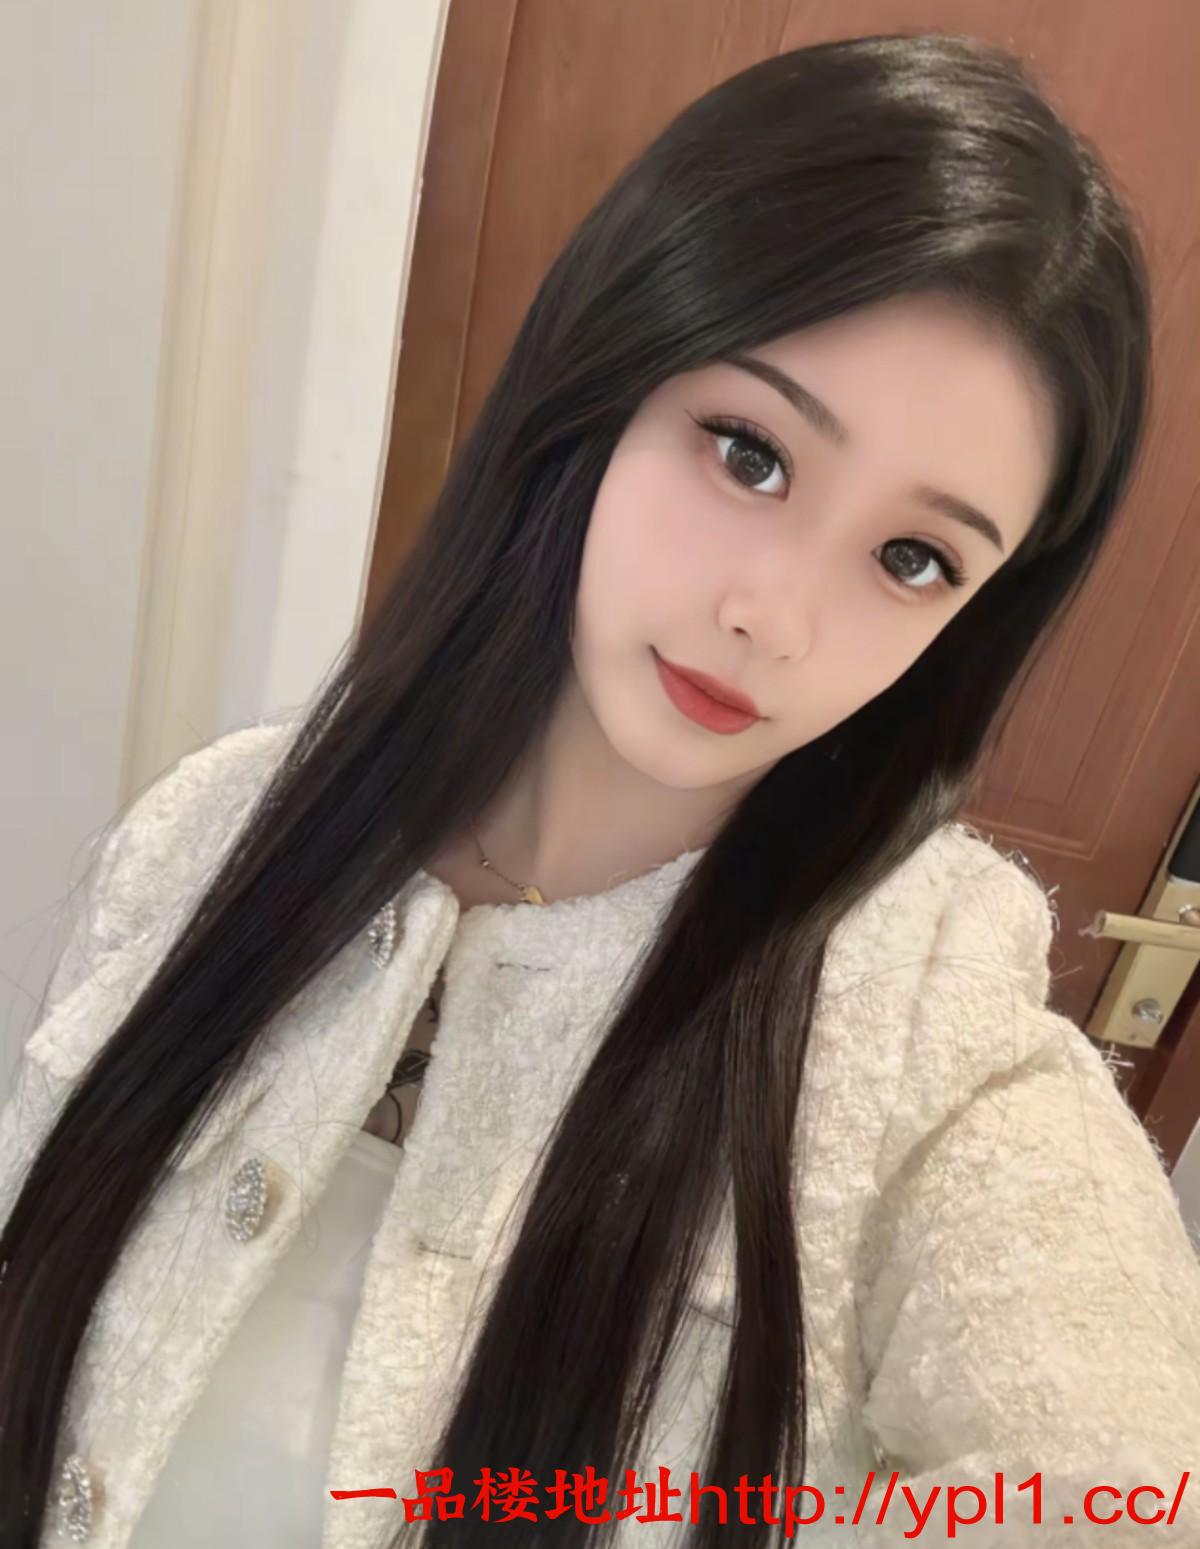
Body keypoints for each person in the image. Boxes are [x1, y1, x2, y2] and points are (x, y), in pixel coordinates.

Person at [2, 30, 1198, 1549]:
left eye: (913, 557)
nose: (776, 616)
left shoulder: (923, 1042)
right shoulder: (218, 832)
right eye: (750, 453)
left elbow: (1125, 1499)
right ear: (605, 376)